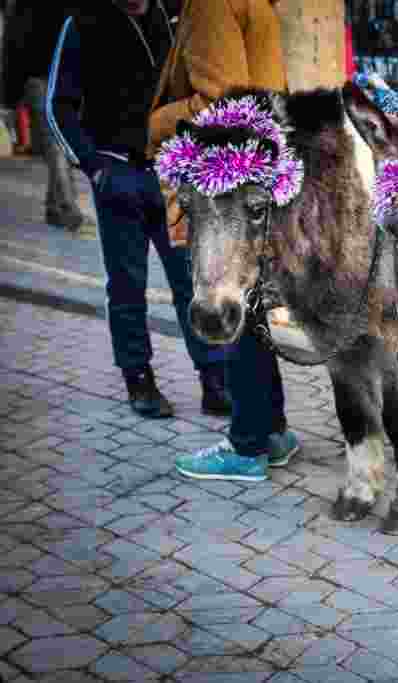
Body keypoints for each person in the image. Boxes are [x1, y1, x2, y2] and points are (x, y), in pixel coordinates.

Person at [46, 0, 231, 419]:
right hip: (117, 173)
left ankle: (214, 379)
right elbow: (58, 105)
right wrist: (93, 166)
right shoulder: (83, 22)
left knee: (192, 280)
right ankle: (139, 379)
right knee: (127, 285)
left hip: (171, 175)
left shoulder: (170, 19)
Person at [148, 0, 301, 482]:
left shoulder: (211, 3)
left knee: (225, 305)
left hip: (225, 192)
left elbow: (220, 103)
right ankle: (270, 432)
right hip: (250, 182)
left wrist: (150, 124)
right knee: (249, 310)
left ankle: (246, 444)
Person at [4, 2, 86, 230]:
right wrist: (10, 95)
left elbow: (13, 43)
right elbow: (14, 43)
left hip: (60, 76)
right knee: (56, 143)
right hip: (43, 76)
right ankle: (68, 204)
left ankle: (54, 207)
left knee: (57, 142)